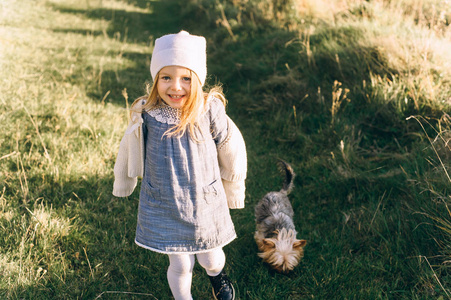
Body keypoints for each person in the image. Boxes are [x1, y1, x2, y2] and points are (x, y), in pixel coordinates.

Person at [112, 31, 247, 300]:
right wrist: (124, 182)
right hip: (165, 201)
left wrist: (234, 188)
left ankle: (217, 276)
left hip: (204, 201)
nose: (176, 87)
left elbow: (231, 147)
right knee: (181, 264)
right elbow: (129, 149)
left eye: (186, 78)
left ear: (198, 80)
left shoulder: (209, 110)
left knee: (211, 257)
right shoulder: (147, 113)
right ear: (155, 80)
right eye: (166, 77)